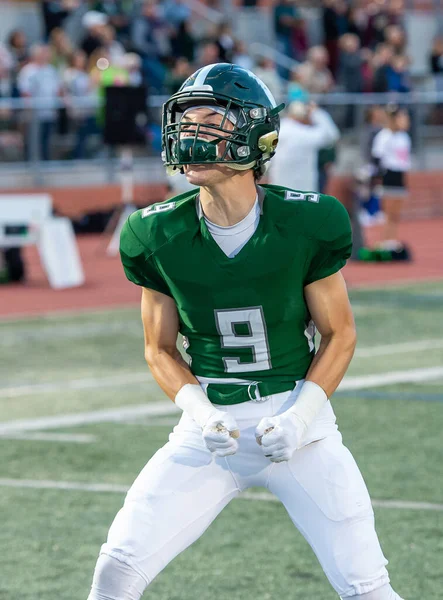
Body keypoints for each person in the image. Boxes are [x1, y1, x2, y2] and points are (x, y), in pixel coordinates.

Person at [87, 63, 405, 600]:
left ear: (254, 135)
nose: (191, 134)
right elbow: (159, 348)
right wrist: (201, 412)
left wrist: (301, 418)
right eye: (186, 121)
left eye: (210, 122)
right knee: (116, 569)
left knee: (367, 588)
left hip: (300, 426)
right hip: (210, 428)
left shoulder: (308, 222)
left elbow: (340, 334)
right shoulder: (153, 230)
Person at [268, 100, 340, 192]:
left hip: (279, 188)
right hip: (303, 191)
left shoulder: (278, 129)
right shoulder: (307, 134)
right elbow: (332, 135)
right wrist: (317, 112)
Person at [371, 104, 411, 256]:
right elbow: (377, 159)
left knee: (396, 213)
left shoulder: (404, 137)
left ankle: (392, 239)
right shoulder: (384, 136)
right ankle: (385, 240)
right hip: (388, 175)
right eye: (402, 117)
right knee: (388, 212)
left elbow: (405, 161)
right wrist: (377, 180)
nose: (406, 121)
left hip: (400, 175)